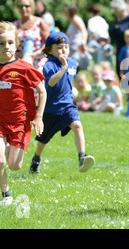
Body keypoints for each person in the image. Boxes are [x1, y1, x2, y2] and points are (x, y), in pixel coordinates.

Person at [0, 21, 47, 205]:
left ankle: (11, 148)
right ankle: (6, 195)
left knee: (14, 166)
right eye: (1, 43)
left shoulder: (25, 68)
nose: (6, 47)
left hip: (21, 122)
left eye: (10, 43)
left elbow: (42, 91)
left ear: (16, 45)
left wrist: (38, 117)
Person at [29, 31, 95, 174]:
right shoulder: (49, 65)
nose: (64, 50)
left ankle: (82, 158)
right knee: (43, 139)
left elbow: (72, 76)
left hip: (67, 106)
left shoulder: (72, 63)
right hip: (50, 108)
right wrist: (63, 68)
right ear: (49, 50)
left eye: (66, 46)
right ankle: (36, 159)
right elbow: (51, 82)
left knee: (77, 125)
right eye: (59, 47)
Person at [13, 0, 50, 72]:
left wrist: (36, 54)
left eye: (26, 6)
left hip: (38, 61)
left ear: (32, 7)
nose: (23, 8)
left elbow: (48, 43)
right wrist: (16, 54)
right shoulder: (14, 25)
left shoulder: (40, 22)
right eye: (21, 6)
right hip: (19, 61)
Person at [64, 4, 90, 70]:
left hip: (77, 47)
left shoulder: (76, 20)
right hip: (72, 48)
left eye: (66, 13)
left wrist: (83, 42)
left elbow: (84, 31)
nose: (65, 15)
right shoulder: (73, 21)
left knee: (74, 66)